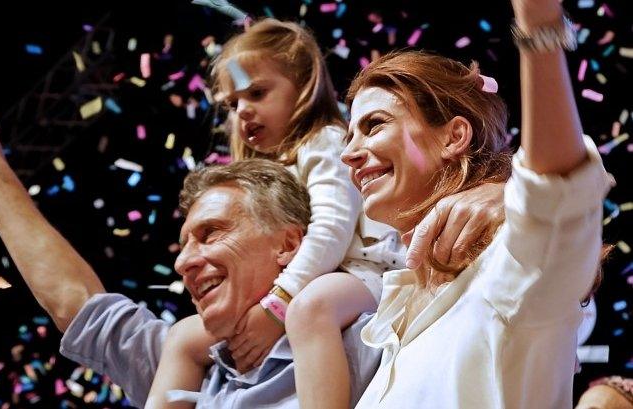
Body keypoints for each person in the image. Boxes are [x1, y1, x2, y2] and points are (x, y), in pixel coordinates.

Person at [0, 99, 502, 408]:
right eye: (182, 244)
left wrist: (502, 196)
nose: (182, 262)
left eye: (211, 233)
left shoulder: (372, 333)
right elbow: (78, 304)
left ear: (289, 248)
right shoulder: (188, 367)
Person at [148, 19, 505, 409]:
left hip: (366, 271)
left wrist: (277, 302)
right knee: (183, 337)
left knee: (311, 309)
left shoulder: (325, 143)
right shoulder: (267, 170)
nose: (244, 112)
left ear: (303, 86)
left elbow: (331, 229)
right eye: (233, 104)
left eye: (257, 93)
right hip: (322, 280)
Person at [341, 0, 612, 407]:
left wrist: (539, 27)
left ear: (453, 137)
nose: (349, 153)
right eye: (348, 137)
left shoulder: (513, 269)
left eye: (374, 125)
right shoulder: (396, 312)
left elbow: (557, 190)